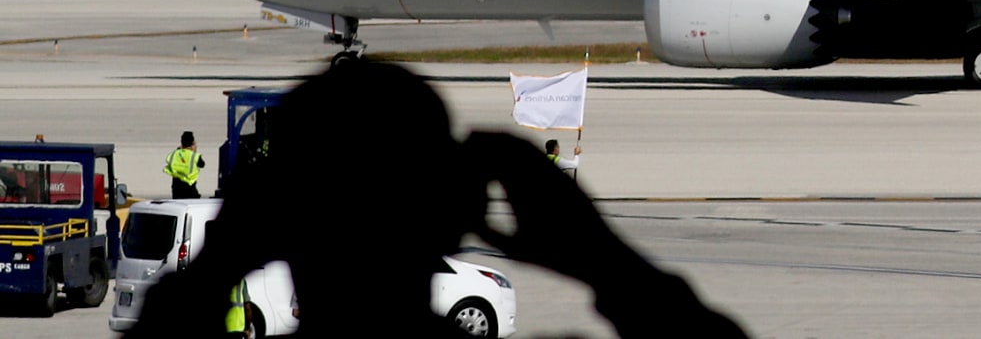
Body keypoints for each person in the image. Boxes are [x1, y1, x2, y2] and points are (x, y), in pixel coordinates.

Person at [124, 61, 748, 338]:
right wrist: (600, 256)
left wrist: (221, 260)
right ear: (457, 209)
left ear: (272, 212)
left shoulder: (252, 231)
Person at [163, 131, 205, 199]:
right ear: (192, 143)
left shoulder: (175, 154)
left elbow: (169, 160)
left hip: (176, 189)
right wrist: (194, 151)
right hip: (190, 189)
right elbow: (202, 164)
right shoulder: (194, 156)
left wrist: (179, 149)